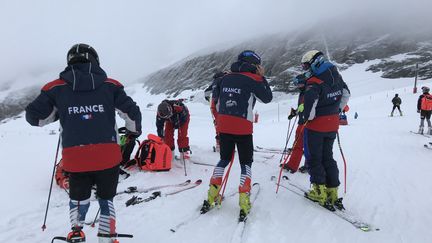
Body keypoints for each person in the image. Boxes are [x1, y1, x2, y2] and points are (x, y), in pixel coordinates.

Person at [25, 43, 142, 243]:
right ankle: (107, 235)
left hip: (75, 158)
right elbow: (132, 113)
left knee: (79, 198)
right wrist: (133, 132)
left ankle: (77, 231)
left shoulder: (55, 88)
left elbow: (34, 117)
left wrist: (59, 114)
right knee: (106, 198)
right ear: (95, 60)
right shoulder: (110, 85)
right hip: (108, 157)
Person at [201, 50, 273, 220]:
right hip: (243, 127)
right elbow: (267, 98)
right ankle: (243, 200)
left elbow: (216, 99)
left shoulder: (225, 77)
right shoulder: (253, 78)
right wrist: (262, 77)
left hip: (223, 125)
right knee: (245, 163)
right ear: (254, 65)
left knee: (224, 159)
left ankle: (212, 194)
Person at [299, 50, 350, 210]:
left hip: (317, 126)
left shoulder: (314, 82)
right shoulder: (336, 75)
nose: (305, 69)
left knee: (315, 158)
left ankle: (319, 190)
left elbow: (309, 111)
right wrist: (336, 110)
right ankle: (332, 191)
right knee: (328, 156)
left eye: (306, 65)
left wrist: (307, 117)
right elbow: (346, 94)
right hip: (332, 124)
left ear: (315, 63)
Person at [282, 73, 307, 173]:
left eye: (299, 84)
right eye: (297, 84)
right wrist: (294, 113)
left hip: (306, 123)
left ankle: (293, 166)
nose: (298, 86)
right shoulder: (304, 92)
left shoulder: (308, 92)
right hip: (305, 122)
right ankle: (307, 166)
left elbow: (306, 106)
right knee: (306, 145)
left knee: (298, 144)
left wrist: (301, 110)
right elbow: (302, 107)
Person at [204, 71, 229, 152]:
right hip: (221, 104)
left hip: (213, 106)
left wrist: (208, 99)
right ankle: (225, 145)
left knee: (218, 124)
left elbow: (207, 92)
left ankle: (219, 144)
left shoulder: (214, 82)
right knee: (225, 124)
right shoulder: (224, 80)